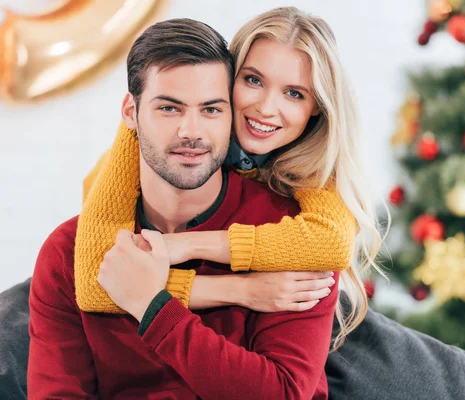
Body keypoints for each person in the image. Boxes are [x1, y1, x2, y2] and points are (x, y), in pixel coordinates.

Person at [28, 17, 340, 399]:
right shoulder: (70, 251)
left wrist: (154, 306)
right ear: (131, 113)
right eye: (169, 109)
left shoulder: (293, 235)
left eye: (211, 109)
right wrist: (239, 289)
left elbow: (285, 394)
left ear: (230, 114)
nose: (191, 131)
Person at [76, 6, 383, 350]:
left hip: (317, 323)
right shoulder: (150, 134)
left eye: (294, 93)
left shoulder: (315, 157)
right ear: (227, 78)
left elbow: (332, 243)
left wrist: (182, 245)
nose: (267, 108)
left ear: (317, 107)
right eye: (253, 80)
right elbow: (95, 281)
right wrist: (240, 290)